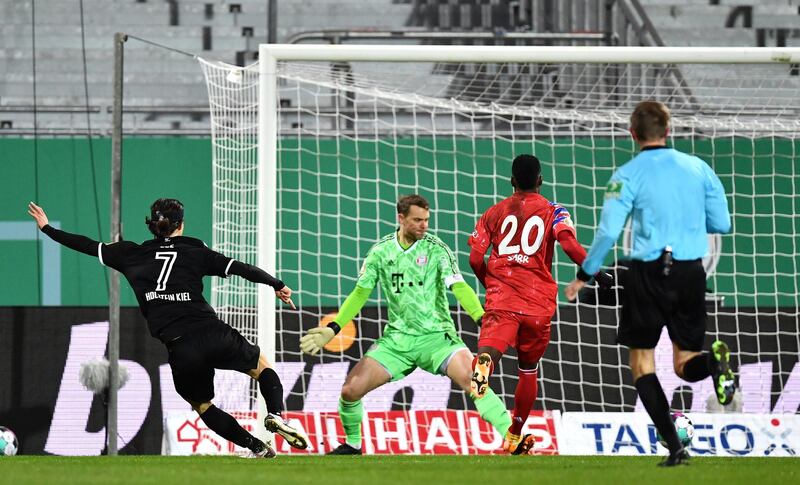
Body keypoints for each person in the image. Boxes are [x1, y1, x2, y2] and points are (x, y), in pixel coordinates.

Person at [28, 198, 308, 458]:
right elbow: (242, 269)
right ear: (181, 224)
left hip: (179, 346)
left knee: (202, 405)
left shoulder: (130, 254)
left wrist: (48, 229)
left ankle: (256, 447)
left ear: (152, 225)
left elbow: (87, 245)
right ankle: (277, 415)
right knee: (261, 367)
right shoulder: (197, 252)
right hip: (211, 332)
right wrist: (277, 284)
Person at [564, 101, 736, 467]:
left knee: (642, 362)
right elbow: (721, 223)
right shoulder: (698, 168)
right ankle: (714, 364)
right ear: (668, 130)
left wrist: (584, 274)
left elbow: (609, 231)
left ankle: (675, 447)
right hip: (691, 271)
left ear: (633, 134)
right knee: (684, 362)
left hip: (648, 272)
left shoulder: (626, 174)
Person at [299, 194, 517, 455]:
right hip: (396, 342)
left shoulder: (436, 248)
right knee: (350, 390)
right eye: (417, 220)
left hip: (437, 338)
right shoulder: (381, 251)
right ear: (400, 218)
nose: (424, 225)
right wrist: (334, 327)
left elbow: (459, 286)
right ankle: (353, 444)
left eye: (426, 220)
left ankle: (512, 437)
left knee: (475, 380)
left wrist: (483, 319)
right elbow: (360, 294)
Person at [467, 154, 613, 454]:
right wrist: (597, 272)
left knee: (490, 350)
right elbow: (570, 245)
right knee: (528, 370)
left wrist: (492, 284)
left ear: (511, 181)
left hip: (503, 298)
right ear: (540, 180)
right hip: (538, 303)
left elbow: (474, 258)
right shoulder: (554, 211)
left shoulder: (492, 213)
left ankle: (485, 361)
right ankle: (514, 433)